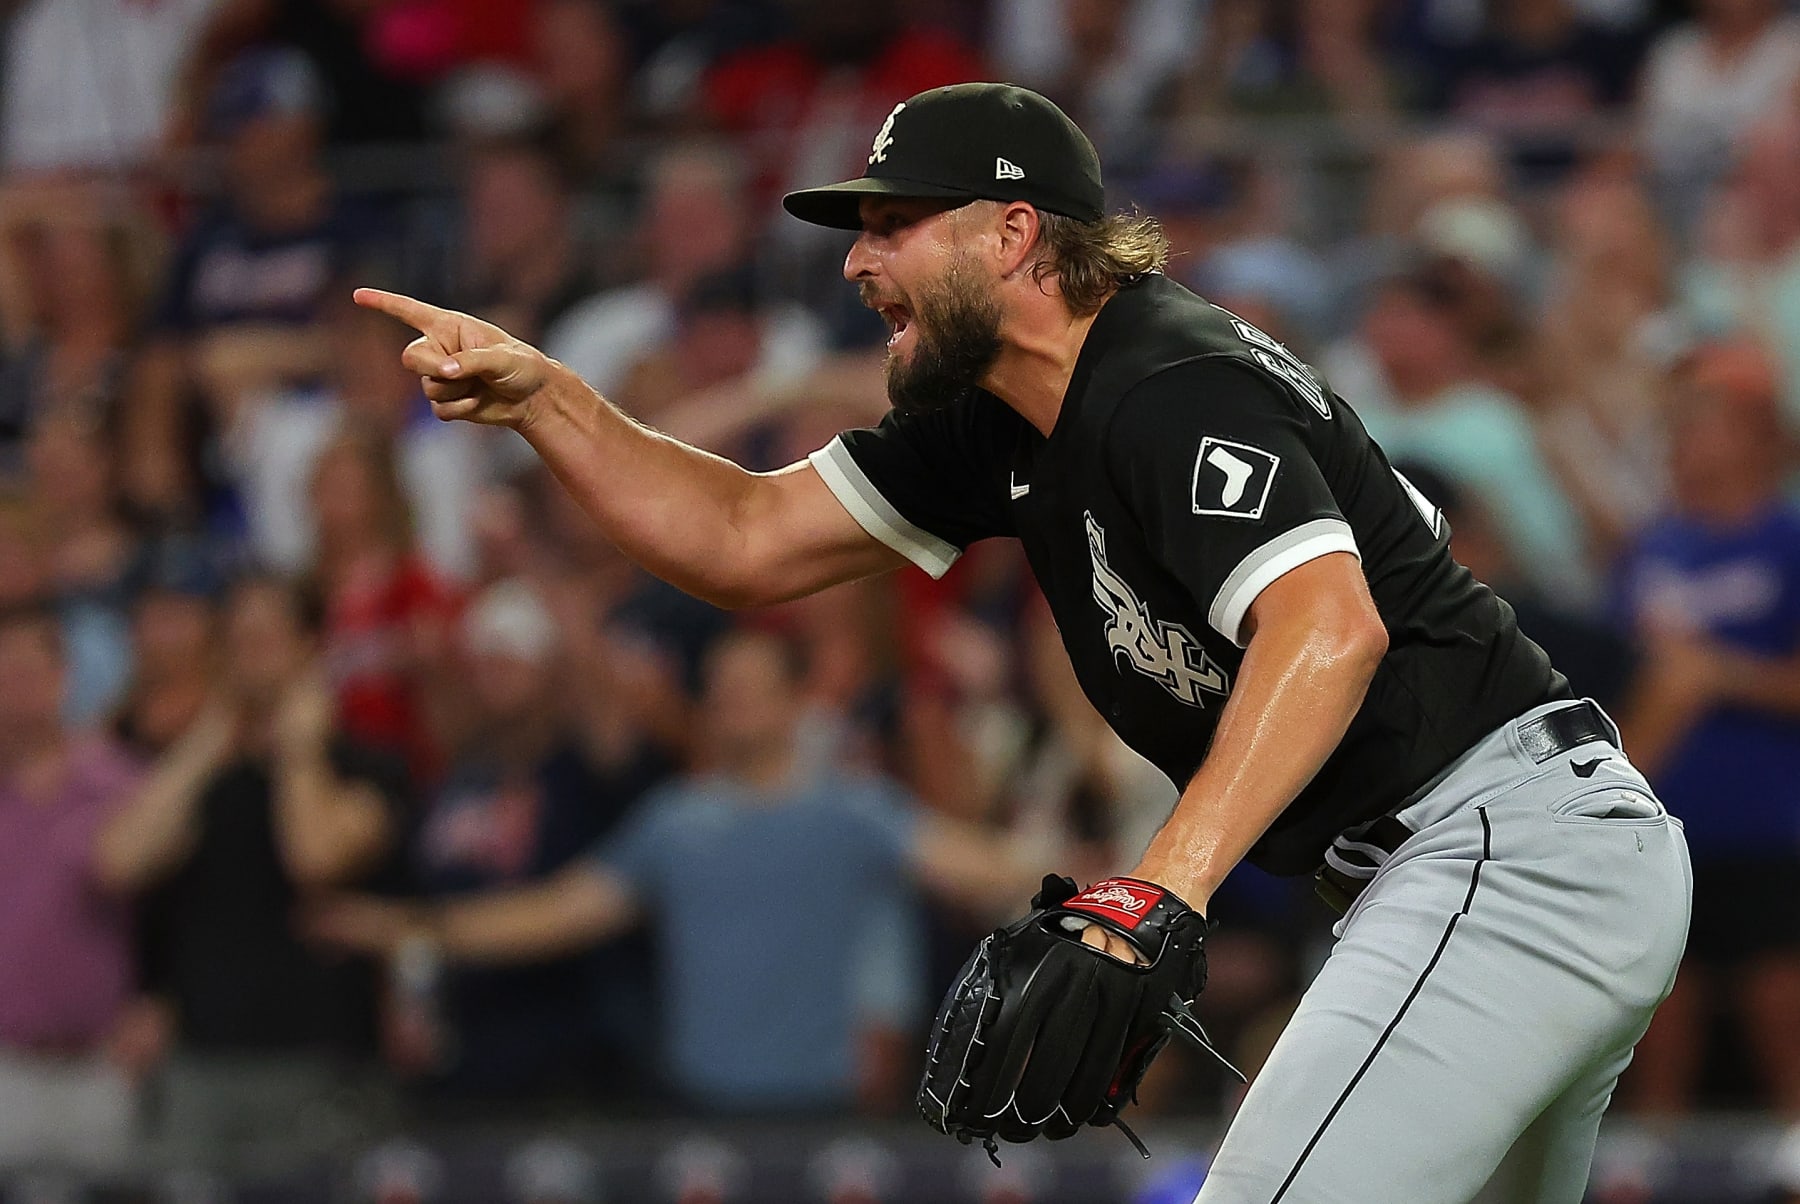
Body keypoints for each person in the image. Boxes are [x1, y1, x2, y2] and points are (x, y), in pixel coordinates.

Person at [354, 83, 1691, 1201]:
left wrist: (1156, 889)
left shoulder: (1167, 380)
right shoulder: (996, 420)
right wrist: (553, 402)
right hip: (1479, 864)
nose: (854, 261)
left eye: (891, 225)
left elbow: (1328, 628)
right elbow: (745, 540)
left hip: (1501, 849)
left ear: (1011, 232)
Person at [314, 625, 1048, 1114]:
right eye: (721, 685)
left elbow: (980, 867)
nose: (730, 700)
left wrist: (1122, 878)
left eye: (750, 685)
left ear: (796, 701)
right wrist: (404, 927)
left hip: (823, 1112)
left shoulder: (855, 812)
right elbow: (554, 913)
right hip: (698, 1107)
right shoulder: (676, 824)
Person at [94, 573, 407, 1165]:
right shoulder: (202, 776)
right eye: (237, 642)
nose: (250, 657)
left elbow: (313, 856)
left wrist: (300, 743)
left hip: (323, 1064)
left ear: (310, 646)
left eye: (266, 639)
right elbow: (118, 860)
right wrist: (213, 733)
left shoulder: (368, 767)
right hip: (202, 1065)